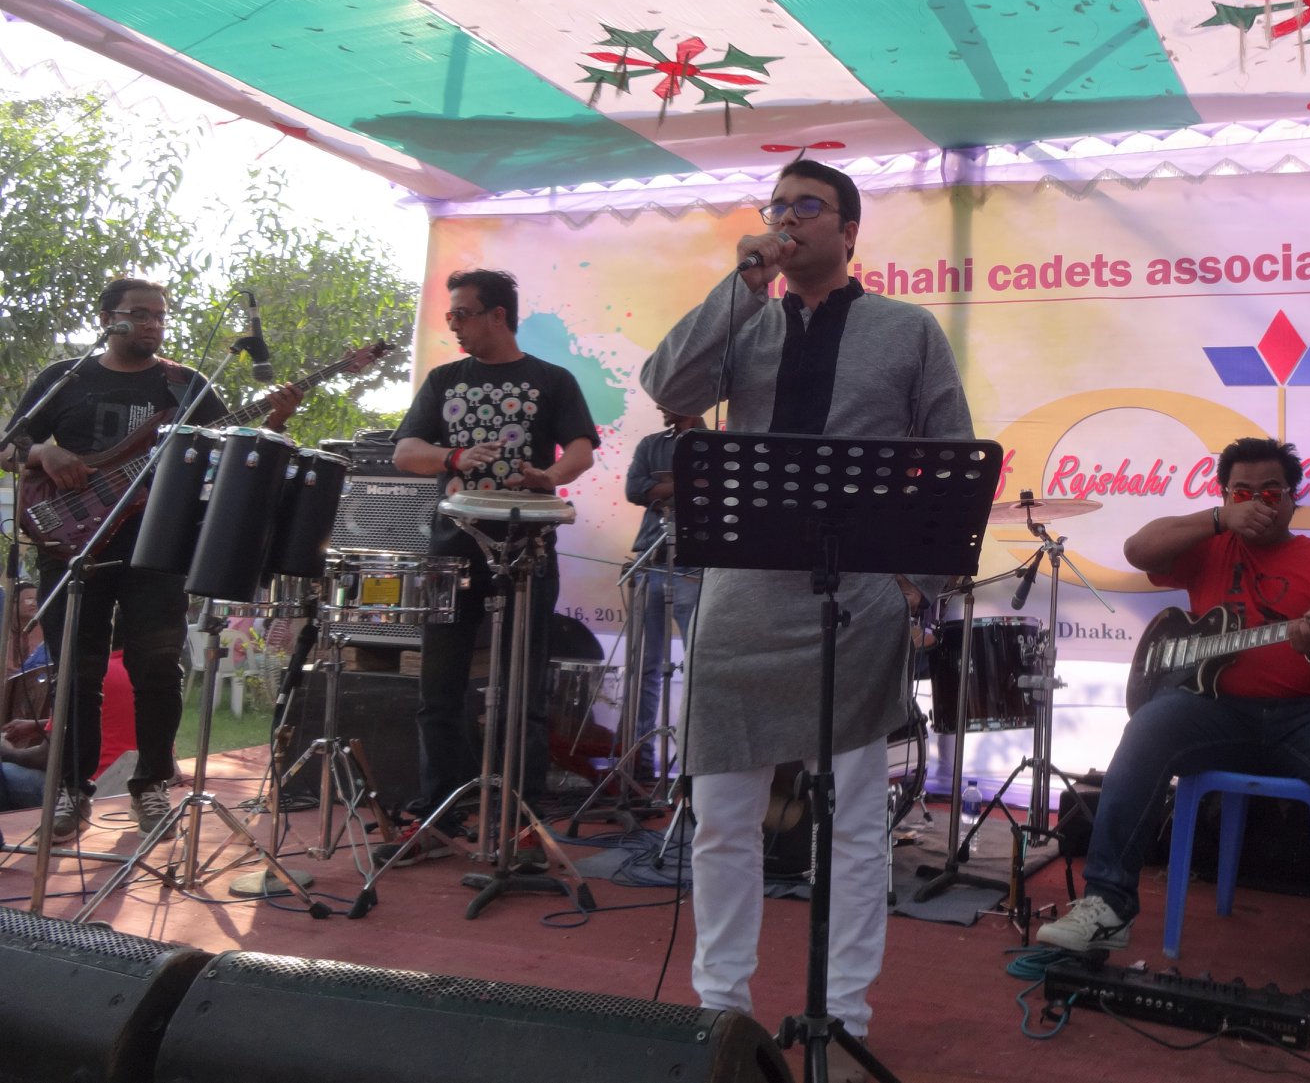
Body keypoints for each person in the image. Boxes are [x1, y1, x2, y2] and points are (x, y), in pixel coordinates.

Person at [641, 158, 973, 1044]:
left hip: (857, 599)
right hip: (742, 597)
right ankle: (720, 1007)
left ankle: (846, 1014)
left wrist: (917, 586)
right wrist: (740, 285)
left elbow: (951, 458)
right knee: (722, 818)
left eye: (807, 205)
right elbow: (669, 388)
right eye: (776, 205)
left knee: (855, 824)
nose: (787, 219)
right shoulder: (745, 319)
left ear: (850, 229)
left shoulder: (908, 329)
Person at [1037, 436, 1310, 1023]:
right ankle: (1106, 907)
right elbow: (1138, 549)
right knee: (1146, 731)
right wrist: (1220, 519)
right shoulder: (1209, 545)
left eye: (1271, 492)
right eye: (1243, 493)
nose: (1259, 504)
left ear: (1292, 499)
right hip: (1214, 708)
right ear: (1225, 496)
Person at [1, 277, 300, 842]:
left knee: (158, 668)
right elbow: (7, 446)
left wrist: (275, 421)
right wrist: (44, 451)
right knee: (77, 669)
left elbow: (233, 448)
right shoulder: (67, 377)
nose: (152, 324)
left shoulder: (184, 384)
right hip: (72, 542)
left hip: (158, 544)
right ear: (107, 318)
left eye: (160, 315)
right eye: (139, 314)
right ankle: (71, 790)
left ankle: (152, 786)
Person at [391, 269, 599, 855]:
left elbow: (581, 449)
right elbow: (405, 452)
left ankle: (520, 822)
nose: (453, 325)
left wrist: (548, 476)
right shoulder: (444, 379)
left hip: (526, 547)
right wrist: (453, 456)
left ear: (498, 315)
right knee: (439, 689)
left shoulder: (551, 379)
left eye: (462, 313)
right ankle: (438, 816)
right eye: (450, 315)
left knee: (522, 692)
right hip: (453, 547)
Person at [623, 405, 707, 782]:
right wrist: (687, 484)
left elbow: (714, 488)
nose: (659, 407)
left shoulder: (714, 445)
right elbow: (634, 490)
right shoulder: (651, 444)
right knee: (645, 666)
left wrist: (660, 490)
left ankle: (693, 761)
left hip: (694, 567)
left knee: (699, 666)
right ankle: (639, 763)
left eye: (667, 401)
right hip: (651, 561)